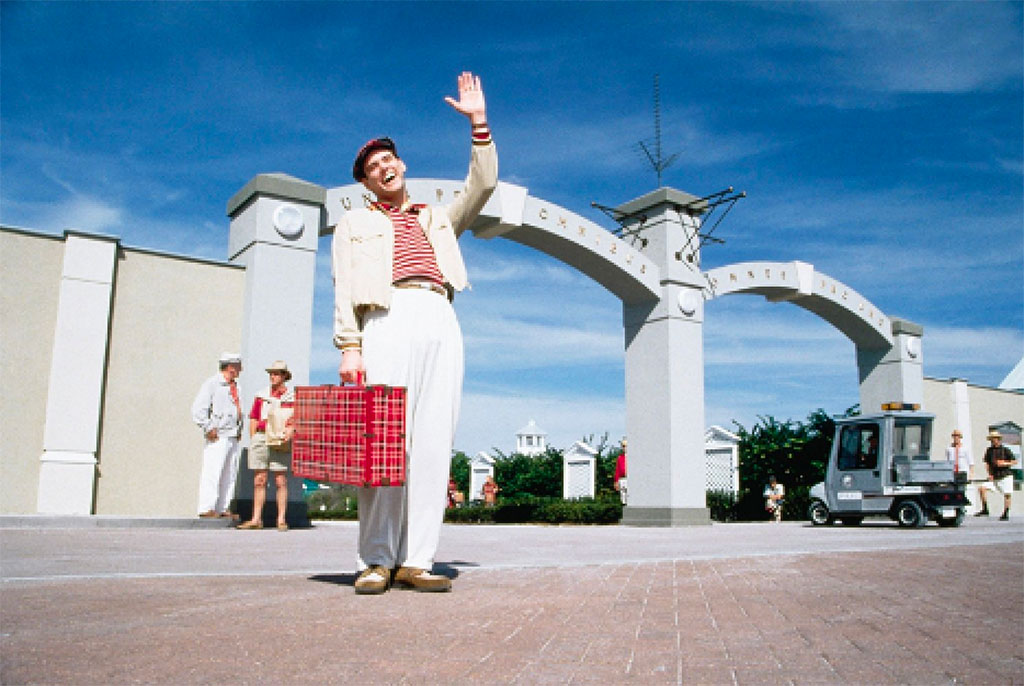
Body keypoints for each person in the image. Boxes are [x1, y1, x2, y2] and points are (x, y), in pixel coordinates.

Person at [332, 71, 497, 594]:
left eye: (388, 159)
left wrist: (478, 122)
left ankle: (418, 559)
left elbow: (484, 184)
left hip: (439, 313)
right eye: (372, 167)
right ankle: (376, 559)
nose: (384, 168)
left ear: (402, 164)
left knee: (432, 441)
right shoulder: (353, 224)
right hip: (385, 316)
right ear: (365, 182)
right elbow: (342, 289)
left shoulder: (437, 218)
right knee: (386, 440)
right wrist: (350, 348)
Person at [238, 360, 294, 531]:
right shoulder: (261, 395)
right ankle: (256, 519)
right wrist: (254, 438)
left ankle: (281, 519)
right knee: (259, 479)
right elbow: (254, 417)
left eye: (276, 373)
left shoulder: (291, 397)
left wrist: (290, 432)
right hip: (262, 437)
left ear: (284, 376)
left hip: (279, 438)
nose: (272, 376)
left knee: (280, 480)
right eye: (271, 373)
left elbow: (295, 418)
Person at [190, 353, 243, 519]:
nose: (241, 369)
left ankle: (222, 508)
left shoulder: (236, 387)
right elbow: (198, 409)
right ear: (230, 367)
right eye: (238, 365)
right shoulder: (212, 384)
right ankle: (206, 507)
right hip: (218, 435)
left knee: (230, 473)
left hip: (232, 435)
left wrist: (239, 429)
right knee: (213, 471)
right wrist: (208, 427)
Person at [976, 430, 1017, 520]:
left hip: (1005, 475)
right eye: (991, 439)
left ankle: (1006, 513)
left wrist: (1004, 463)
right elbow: (987, 463)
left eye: (994, 439)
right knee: (982, 488)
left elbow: (1014, 461)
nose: (993, 441)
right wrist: (990, 474)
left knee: (1007, 494)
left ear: (998, 439)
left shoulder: (1005, 450)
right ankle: (985, 509)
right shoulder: (989, 451)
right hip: (995, 477)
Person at [613, 438, 628, 505]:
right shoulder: (620, 458)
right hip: (623, 479)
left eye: (626, 446)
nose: (625, 448)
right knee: (623, 499)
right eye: (623, 446)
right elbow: (617, 470)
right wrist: (616, 482)